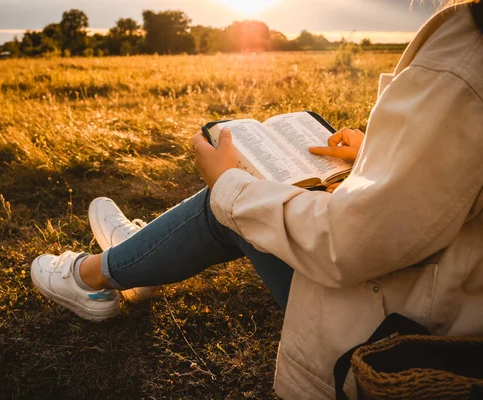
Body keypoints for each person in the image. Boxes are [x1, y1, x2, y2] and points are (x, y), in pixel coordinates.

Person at [30, 1, 483, 398]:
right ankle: (140, 256)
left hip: (407, 342)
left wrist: (230, 185)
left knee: (230, 203)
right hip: (457, 303)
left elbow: (349, 245)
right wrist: (381, 154)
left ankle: (92, 277)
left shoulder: (467, 56)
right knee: (245, 195)